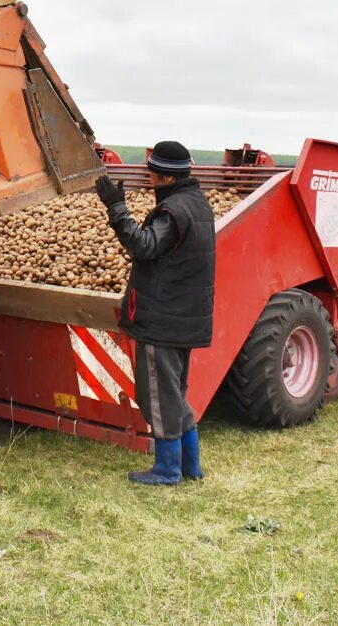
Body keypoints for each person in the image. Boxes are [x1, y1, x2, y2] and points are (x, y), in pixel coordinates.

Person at [94, 141, 216, 486]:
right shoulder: (198, 204)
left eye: (150, 172)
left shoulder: (172, 212)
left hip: (163, 319)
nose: (148, 178)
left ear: (163, 176)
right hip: (186, 317)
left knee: (157, 396)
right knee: (175, 393)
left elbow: (143, 246)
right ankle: (191, 466)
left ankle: (166, 470)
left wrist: (117, 209)